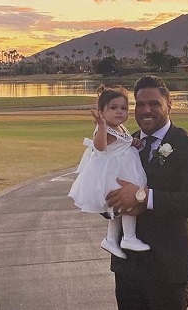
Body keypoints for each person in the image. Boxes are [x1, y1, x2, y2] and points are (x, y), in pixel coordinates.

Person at [105, 75, 188, 310]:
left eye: (154, 103)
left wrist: (143, 196)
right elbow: (107, 190)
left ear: (169, 104)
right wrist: (109, 204)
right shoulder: (124, 143)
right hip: (127, 271)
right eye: (140, 104)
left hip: (169, 271)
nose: (146, 110)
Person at [68, 85, 151, 260]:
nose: (119, 112)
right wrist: (101, 126)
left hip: (125, 168)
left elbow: (124, 142)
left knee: (117, 210)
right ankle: (129, 237)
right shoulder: (103, 128)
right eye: (113, 108)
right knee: (126, 204)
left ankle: (111, 239)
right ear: (102, 112)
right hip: (115, 173)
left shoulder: (121, 127)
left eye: (123, 108)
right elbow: (100, 147)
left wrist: (134, 142)